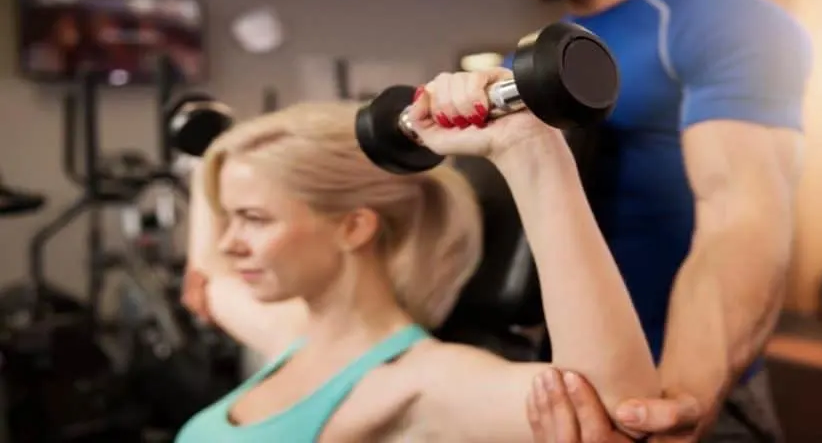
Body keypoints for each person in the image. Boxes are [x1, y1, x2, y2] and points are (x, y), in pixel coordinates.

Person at [459, 0, 812, 441]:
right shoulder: (532, 59)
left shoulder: (722, 19)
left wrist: (675, 403)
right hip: (563, 384)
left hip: (681, 387)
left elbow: (739, 220)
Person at [175, 68, 661, 442]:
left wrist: (528, 147)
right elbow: (209, 278)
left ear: (354, 226)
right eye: (229, 217)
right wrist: (211, 146)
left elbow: (617, 406)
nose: (228, 242)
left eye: (254, 219)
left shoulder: (419, 383)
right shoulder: (292, 336)